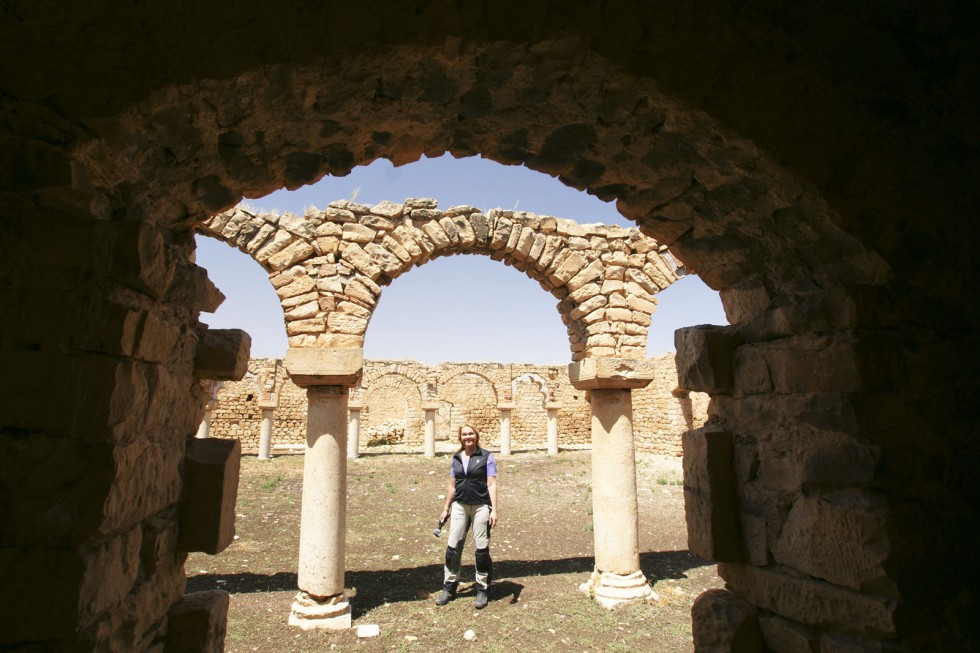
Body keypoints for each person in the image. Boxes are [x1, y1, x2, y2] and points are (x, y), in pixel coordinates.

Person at [435, 424, 498, 609]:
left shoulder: (487, 457)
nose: (468, 437)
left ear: (476, 436)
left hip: (480, 506)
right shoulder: (455, 458)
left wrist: (494, 509)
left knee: (481, 549)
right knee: (453, 547)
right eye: (464, 434)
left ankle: (482, 589)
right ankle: (449, 587)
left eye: (471, 434)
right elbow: (452, 485)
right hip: (460, 506)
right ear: (460, 437)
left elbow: (492, 484)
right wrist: (446, 508)